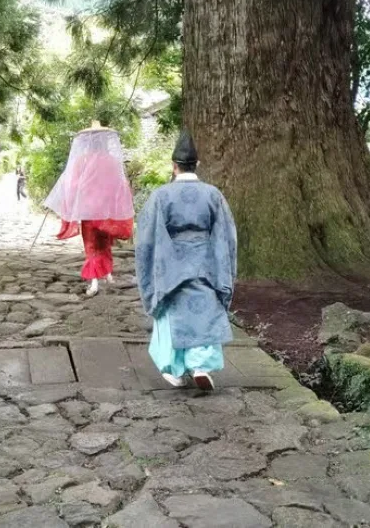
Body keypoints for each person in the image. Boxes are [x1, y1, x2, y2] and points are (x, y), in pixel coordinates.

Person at [134, 128, 237, 391]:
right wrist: (220, 264)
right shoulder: (213, 194)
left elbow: (147, 235)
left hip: (172, 265)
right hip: (206, 263)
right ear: (197, 164)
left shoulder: (161, 195)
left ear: (174, 166)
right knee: (204, 312)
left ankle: (175, 372)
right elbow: (226, 233)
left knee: (171, 314)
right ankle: (201, 366)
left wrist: (159, 265)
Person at [43, 122, 134, 297]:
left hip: (88, 211)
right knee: (104, 243)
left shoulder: (80, 161)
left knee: (91, 245)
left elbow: (73, 185)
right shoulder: (112, 161)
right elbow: (118, 185)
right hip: (106, 211)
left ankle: (94, 282)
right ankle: (107, 274)